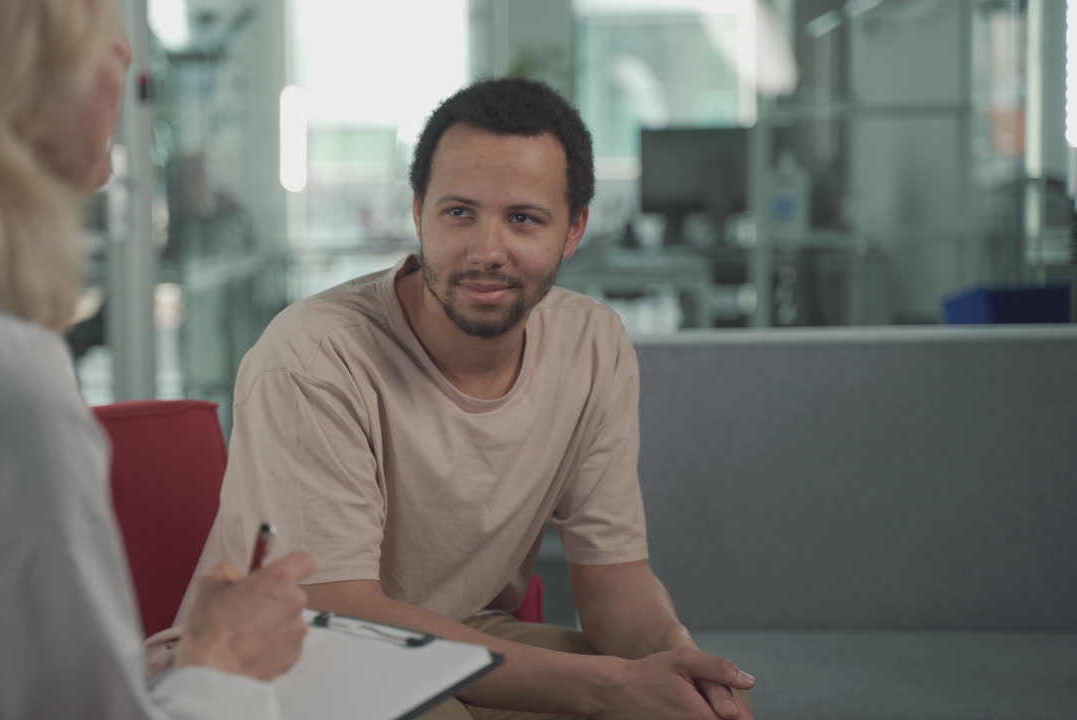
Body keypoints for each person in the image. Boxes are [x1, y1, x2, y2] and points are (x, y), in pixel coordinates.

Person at [176, 76, 757, 719]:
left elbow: (616, 583)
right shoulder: (312, 358)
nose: (487, 251)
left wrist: (679, 664)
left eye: (523, 219)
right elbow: (340, 616)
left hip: (459, 632)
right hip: (288, 660)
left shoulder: (592, 343)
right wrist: (613, 687)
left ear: (574, 229)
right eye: (459, 213)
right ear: (418, 210)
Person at [0, 2, 312, 717]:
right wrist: (227, 665)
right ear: (6, 79)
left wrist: (135, 665)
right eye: (100, 25)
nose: (129, 57)